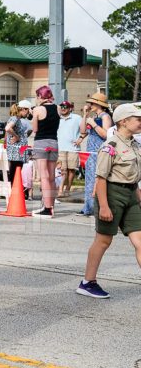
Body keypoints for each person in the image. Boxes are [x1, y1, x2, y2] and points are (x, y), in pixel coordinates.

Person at [77, 103, 141, 299]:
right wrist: (104, 206)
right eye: (138, 119)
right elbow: (101, 178)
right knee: (103, 240)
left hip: (131, 194)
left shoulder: (134, 144)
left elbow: (133, 178)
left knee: (140, 241)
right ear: (123, 121)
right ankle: (87, 282)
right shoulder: (110, 146)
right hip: (111, 194)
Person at [79, 93, 113, 217]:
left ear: (99, 104)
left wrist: (94, 124)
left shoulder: (105, 117)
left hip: (99, 151)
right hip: (91, 151)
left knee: (97, 179)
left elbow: (106, 134)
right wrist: (85, 115)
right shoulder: (93, 117)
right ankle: (88, 206)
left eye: (92, 103)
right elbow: (83, 131)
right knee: (89, 179)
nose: (90, 105)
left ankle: (97, 207)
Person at [30, 85, 59, 218]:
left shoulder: (38, 109)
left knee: (44, 176)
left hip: (41, 142)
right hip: (54, 142)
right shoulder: (57, 108)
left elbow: (35, 129)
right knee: (52, 177)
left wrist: (34, 115)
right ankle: (51, 205)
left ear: (40, 96)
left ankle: (47, 209)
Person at [4, 100, 33, 194]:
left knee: (16, 171)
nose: (28, 114)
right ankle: (13, 191)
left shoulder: (17, 118)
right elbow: (8, 128)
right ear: (24, 109)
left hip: (18, 152)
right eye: (28, 111)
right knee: (15, 171)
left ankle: (13, 190)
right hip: (16, 152)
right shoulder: (15, 118)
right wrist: (16, 136)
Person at [57, 101, 83, 199]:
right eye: (62, 107)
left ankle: (67, 189)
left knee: (71, 169)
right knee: (62, 170)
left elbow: (86, 129)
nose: (63, 108)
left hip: (73, 148)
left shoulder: (77, 118)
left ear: (70, 108)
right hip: (60, 148)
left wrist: (80, 139)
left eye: (65, 107)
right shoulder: (57, 118)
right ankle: (60, 190)